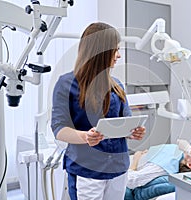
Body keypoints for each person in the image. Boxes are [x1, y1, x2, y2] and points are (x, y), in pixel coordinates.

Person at [51, 22, 146, 200]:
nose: (118, 55)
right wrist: (85, 137)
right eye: (114, 50)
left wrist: (133, 132)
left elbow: (125, 121)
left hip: (118, 167)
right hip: (87, 169)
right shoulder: (66, 84)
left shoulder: (117, 85)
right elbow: (59, 129)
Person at [125, 144, 191, 200]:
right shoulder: (175, 153)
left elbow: (129, 181)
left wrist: (135, 160)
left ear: (189, 164)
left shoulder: (165, 166)